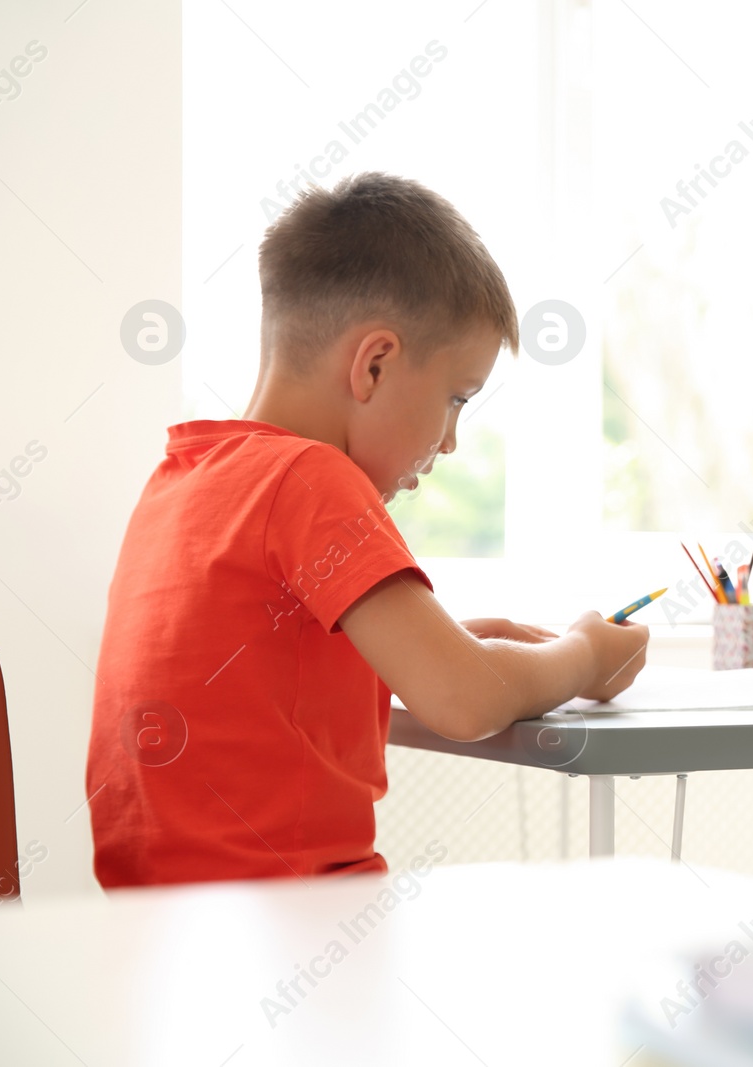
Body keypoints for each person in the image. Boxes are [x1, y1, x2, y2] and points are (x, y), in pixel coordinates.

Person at [85, 173, 647, 887]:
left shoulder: (183, 478)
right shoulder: (310, 478)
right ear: (374, 363)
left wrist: (457, 638)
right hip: (293, 921)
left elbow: (272, 669)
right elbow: (462, 700)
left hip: (163, 930)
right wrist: (585, 654)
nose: (449, 443)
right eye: (455, 398)